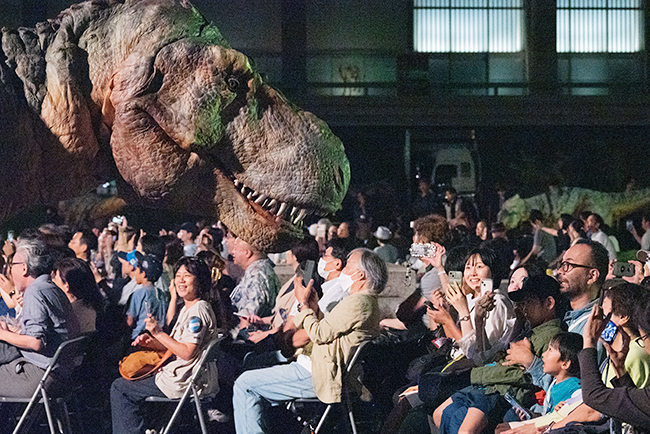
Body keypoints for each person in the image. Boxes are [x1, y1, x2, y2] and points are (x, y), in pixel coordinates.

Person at [232, 248, 387, 434]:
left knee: (245, 384)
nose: (344, 269)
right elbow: (329, 328)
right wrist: (313, 308)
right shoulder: (363, 301)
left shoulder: (359, 302)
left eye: (349, 265)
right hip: (318, 368)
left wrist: (304, 305)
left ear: (360, 275)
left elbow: (320, 333)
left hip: (317, 373)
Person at [433, 275, 566, 434]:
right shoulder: (530, 329)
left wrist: (474, 375)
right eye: (522, 303)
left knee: (461, 426)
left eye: (529, 302)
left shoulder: (550, 335)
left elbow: (519, 373)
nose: (524, 308)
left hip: (500, 392)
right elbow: (493, 355)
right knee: (441, 414)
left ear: (549, 303)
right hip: (486, 385)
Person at [110, 257, 219, 434]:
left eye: (187, 276)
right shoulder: (189, 307)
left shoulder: (197, 312)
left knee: (120, 388)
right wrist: (154, 342)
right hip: (186, 376)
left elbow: (187, 352)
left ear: (199, 281)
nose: (181, 280)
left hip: (183, 380)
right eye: (178, 275)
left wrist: (159, 333)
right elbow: (179, 346)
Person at [0, 238, 80, 397]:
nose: (10, 271)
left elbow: (36, 342)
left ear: (24, 268)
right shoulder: (52, 288)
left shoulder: (34, 291)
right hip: (59, 374)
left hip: (40, 375)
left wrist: (3, 334)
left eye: (12, 265)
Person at [577, 298, 650, 433]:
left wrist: (589, 341)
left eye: (644, 337)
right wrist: (621, 370)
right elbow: (635, 411)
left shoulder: (637, 354)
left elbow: (594, 396)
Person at [497, 332, 583, 434]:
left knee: (502, 429)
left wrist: (566, 410)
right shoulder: (554, 383)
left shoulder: (575, 388)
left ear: (565, 363)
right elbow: (546, 414)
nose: (543, 354)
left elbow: (577, 413)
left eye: (550, 350)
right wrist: (531, 415)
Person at [229, 237, 280, 334]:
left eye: (236, 248)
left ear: (247, 253)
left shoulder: (256, 275)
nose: (232, 252)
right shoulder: (260, 269)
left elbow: (249, 317)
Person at [52, 257, 104, 334]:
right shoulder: (98, 308)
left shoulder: (67, 315)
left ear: (66, 286)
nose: (52, 281)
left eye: (55, 278)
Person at [126, 253, 167, 341]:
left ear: (143, 274)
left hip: (138, 338)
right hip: (157, 338)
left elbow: (130, 321)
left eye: (137, 269)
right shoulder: (162, 294)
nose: (135, 272)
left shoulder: (138, 294)